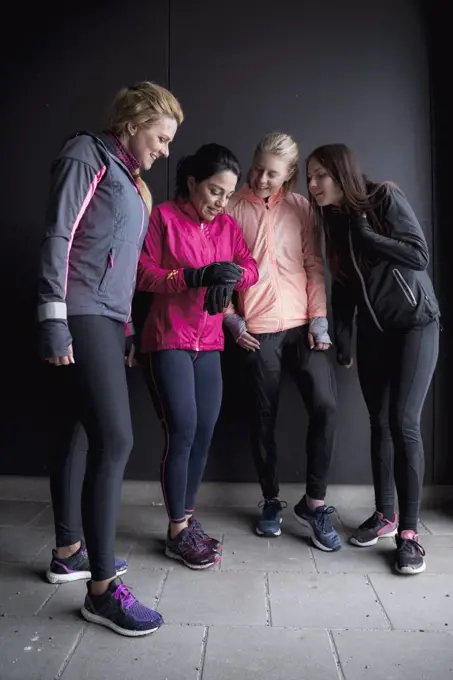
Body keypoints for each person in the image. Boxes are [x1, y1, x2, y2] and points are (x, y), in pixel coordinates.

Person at [37, 81, 183, 635]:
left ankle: (70, 550)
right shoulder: (87, 153)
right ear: (134, 121)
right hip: (78, 309)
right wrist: (52, 316)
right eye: (161, 137)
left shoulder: (128, 177)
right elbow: (58, 235)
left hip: (104, 315)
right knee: (116, 439)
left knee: (79, 429)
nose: (165, 150)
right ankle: (101, 591)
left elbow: (119, 263)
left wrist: (124, 329)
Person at [306, 143, 440, 575]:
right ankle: (386, 516)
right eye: (308, 178)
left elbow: (418, 254)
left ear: (340, 172)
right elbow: (344, 286)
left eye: (318, 176)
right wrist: (343, 338)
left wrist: (370, 237)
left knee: (403, 422)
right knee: (379, 422)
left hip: (415, 324)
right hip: (374, 333)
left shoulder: (383, 197)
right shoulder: (333, 220)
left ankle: (411, 536)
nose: (311, 186)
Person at [136, 143, 259, 569]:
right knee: (183, 429)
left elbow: (251, 265)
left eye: (227, 194)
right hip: (167, 337)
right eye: (213, 191)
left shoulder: (227, 226)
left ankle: (187, 520)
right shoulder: (163, 218)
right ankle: (176, 531)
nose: (221, 202)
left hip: (209, 342)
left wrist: (233, 276)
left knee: (205, 430)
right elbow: (142, 271)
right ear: (192, 183)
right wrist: (190, 276)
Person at [223, 132, 341, 552]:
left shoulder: (302, 208)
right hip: (259, 328)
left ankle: (314, 503)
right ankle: (271, 500)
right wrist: (231, 319)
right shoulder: (231, 206)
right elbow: (215, 269)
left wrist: (320, 319)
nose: (261, 178)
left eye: (272, 173)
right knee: (263, 416)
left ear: (289, 174)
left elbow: (314, 265)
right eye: (257, 168)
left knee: (326, 406)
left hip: (304, 326)